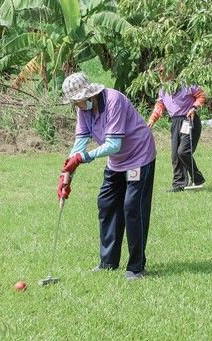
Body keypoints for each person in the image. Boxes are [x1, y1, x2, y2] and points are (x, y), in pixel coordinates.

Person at [57, 72, 156, 281]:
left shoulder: (113, 100)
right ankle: (108, 262)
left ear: (89, 95)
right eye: (73, 102)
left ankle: (136, 268)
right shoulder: (83, 109)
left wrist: (82, 158)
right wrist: (67, 171)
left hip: (139, 156)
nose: (76, 106)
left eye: (77, 101)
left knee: (132, 208)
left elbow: (113, 144)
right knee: (106, 204)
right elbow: (81, 141)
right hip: (117, 161)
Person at [147, 65, 207, 192]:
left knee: (183, 151)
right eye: (159, 72)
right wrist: (152, 119)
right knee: (175, 155)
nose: (161, 75)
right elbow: (160, 105)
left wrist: (194, 108)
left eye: (163, 72)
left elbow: (201, 95)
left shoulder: (186, 84)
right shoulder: (163, 89)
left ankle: (197, 178)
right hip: (175, 122)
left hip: (189, 119)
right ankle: (178, 184)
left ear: (172, 72)